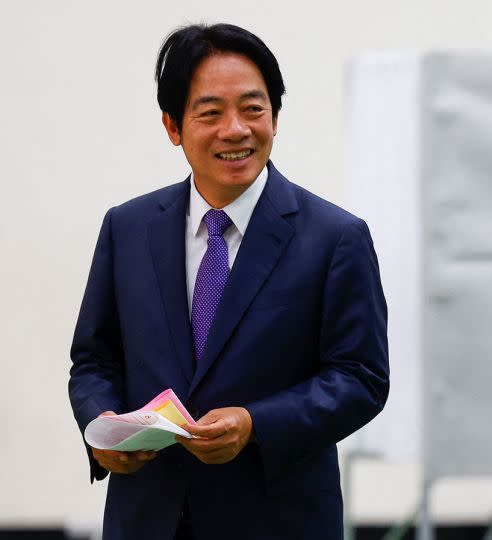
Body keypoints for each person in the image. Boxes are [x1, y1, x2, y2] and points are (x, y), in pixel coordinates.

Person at [67, 23, 388, 540]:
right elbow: (94, 359)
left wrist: (256, 424)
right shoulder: (127, 228)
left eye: (253, 109)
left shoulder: (335, 238)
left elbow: (360, 378)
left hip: (277, 518)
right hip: (147, 517)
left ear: (276, 118)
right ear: (173, 126)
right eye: (211, 112)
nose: (235, 130)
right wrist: (101, 429)